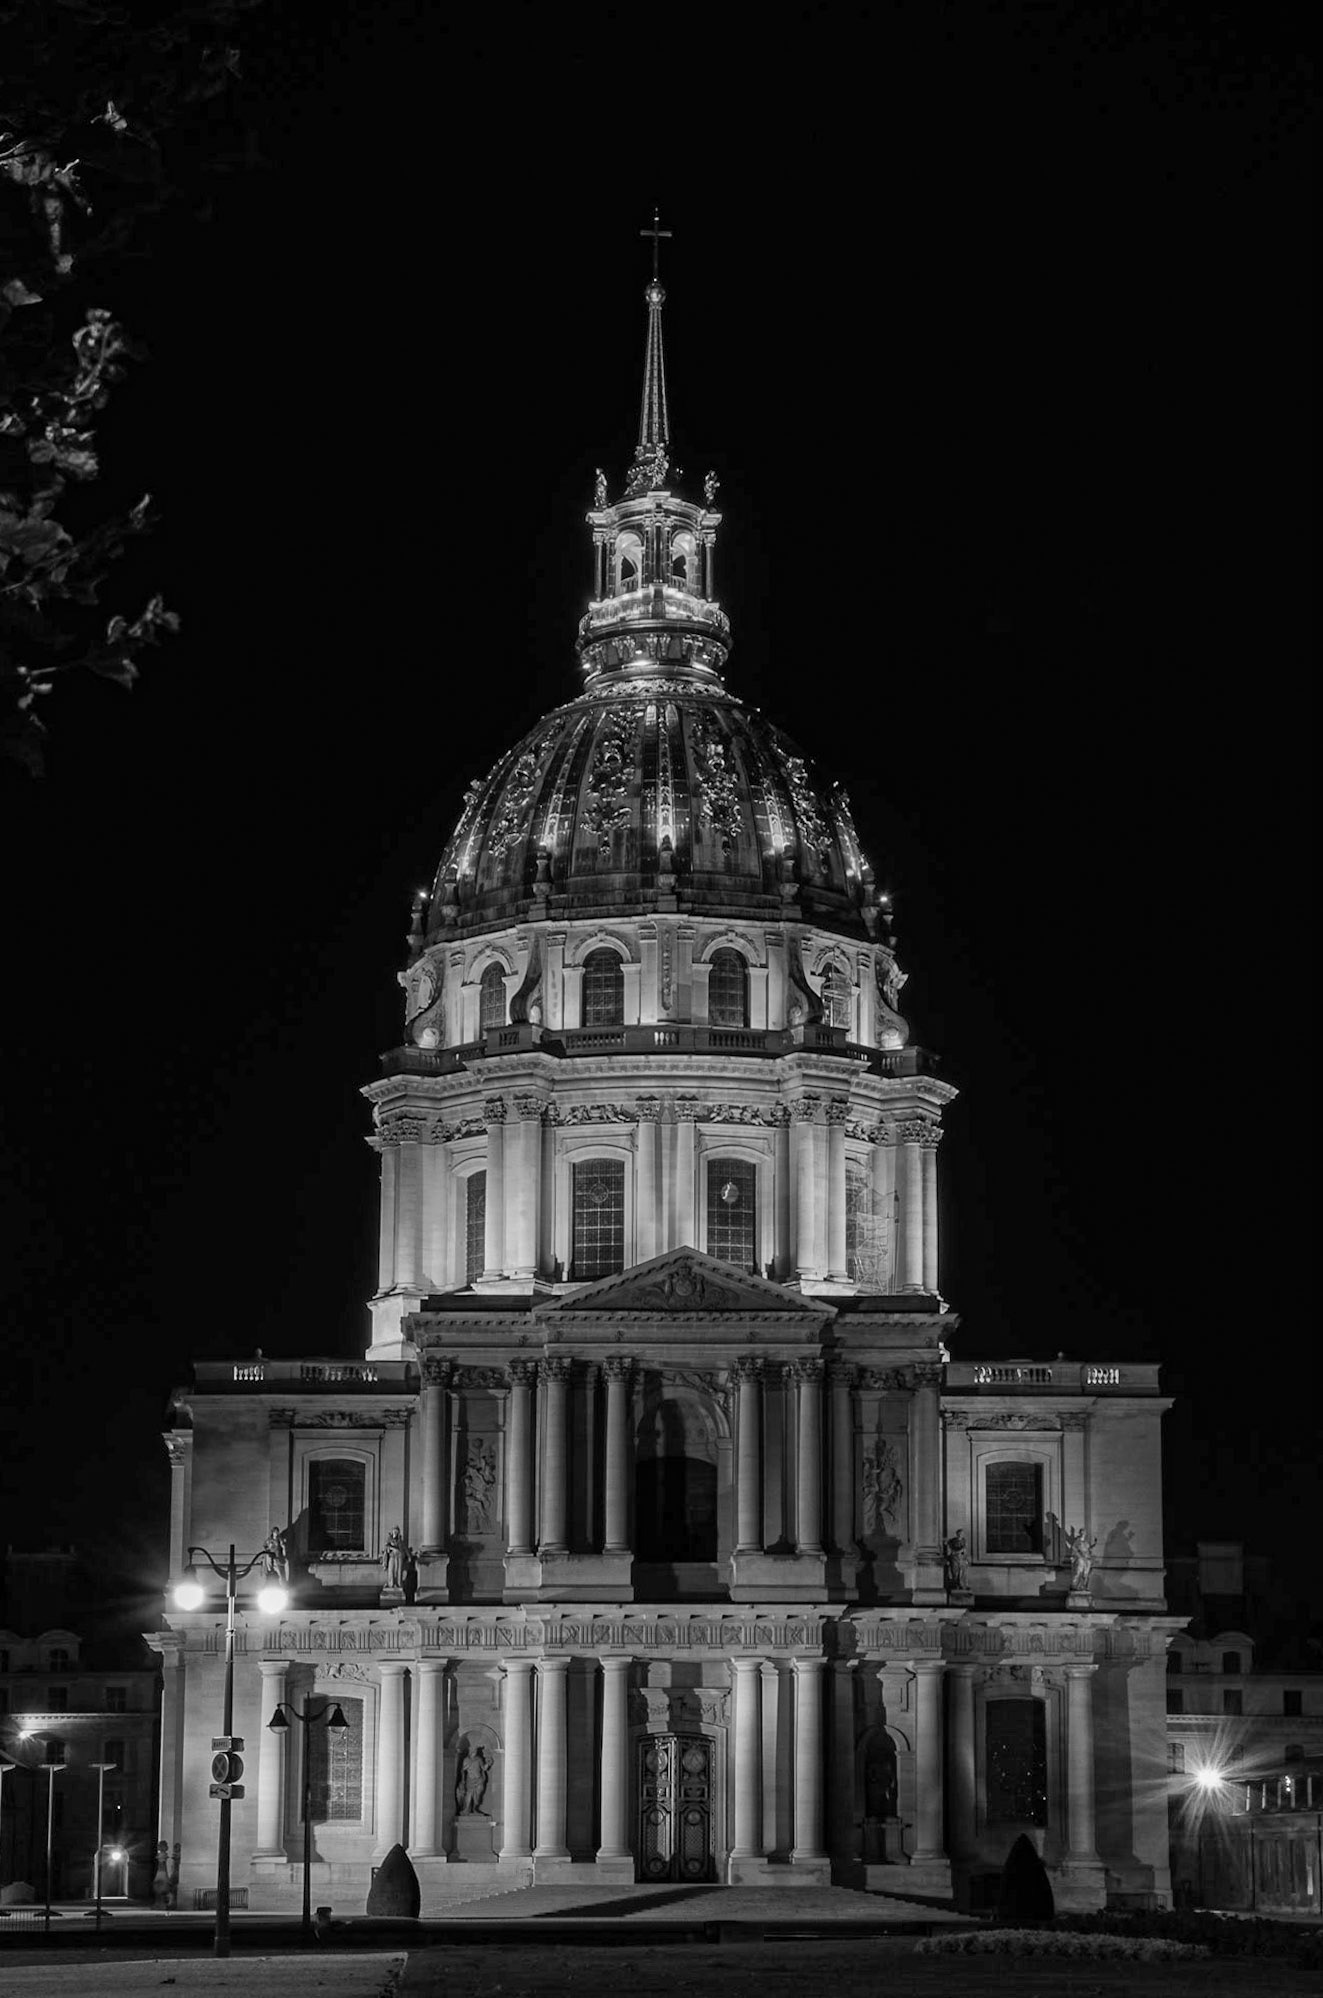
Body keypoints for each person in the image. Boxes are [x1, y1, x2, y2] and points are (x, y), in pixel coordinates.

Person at [382, 1526, 407, 1590]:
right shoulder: (389, 1539)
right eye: (394, 1531)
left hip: (399, 1557)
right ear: (392, 1532)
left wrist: (408, 1556)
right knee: (391, 1570)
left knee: (398, 1571)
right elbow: (386, 1547)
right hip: (392, 1557)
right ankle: (391, 1584)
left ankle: (398, 1584)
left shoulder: (400, 1540)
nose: (395, 1533)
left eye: (397, 1531)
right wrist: (393, 1548)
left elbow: (404, 1548)